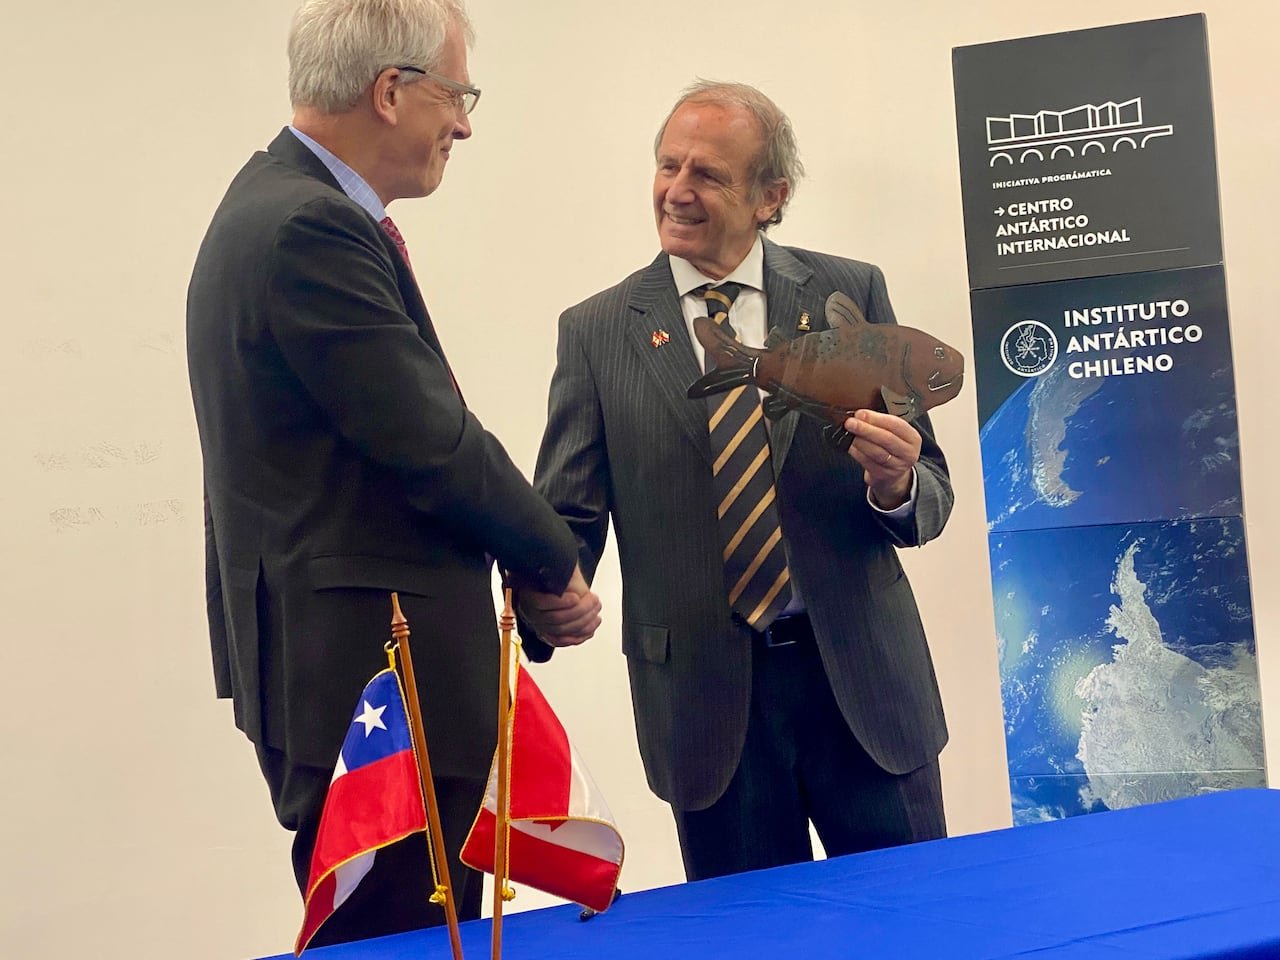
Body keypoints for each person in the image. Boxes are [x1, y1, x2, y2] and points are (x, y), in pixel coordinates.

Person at [186, 0, 600, 945]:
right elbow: (429, 441)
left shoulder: (273, 208)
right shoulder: (306, 229)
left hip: (356, 666)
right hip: (378, 682)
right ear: (391, 91)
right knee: (403, 934)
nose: (464, 123)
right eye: (457, 97)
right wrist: (553, 561)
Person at [519, 81, 952, 882]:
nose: (676, 191)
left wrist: (895, 485)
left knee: (922, 925)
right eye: (666, 166)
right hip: (708, 714)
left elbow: (929, 488)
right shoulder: (596, 333)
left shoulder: (848, 293)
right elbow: (569, 514)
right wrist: (542, 595)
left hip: (864, 689)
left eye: (707, 175)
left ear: (770, 197)